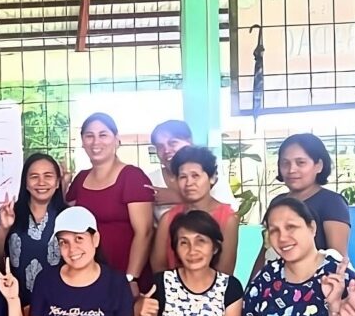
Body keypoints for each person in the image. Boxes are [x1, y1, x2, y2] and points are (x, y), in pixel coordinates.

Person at [0, 153, 68, 316]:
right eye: (33, 176)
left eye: (48, 176)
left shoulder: (68, 216)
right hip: (16, 305)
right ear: (25, 182)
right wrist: (3, 228)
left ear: (58, 182)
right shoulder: (10, 214)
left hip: (58, 308)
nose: (41, 182)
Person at [66, 113, 154, 296]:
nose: (96, 142)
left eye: (103, 135)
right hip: (89, 278)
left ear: (116, 140)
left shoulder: (132, 177)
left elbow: (144, 232)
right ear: (82, 142)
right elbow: (68, 223)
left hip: (125, 278)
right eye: (89, 136)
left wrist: (131, 277)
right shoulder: (80, 179)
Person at [253, 133, 350, 275]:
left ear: (319, 165)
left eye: (301, 163)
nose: (292, 170)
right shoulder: (277, 203)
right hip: (275, 287)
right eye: (285, 163)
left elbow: (337, 258)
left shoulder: (332, 202)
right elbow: (266, 252)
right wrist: (250, 287)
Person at [151, 146, 238, 275]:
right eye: (183, 177)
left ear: (212, 178)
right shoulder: (168, 219)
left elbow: (225, 270)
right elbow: (158, 265)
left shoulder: (228, 218)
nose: (189, 183)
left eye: (195, 175)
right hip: (172, 291)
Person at [147, 120, 237, 225]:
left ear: (189, 142)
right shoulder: (150, 180)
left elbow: (227, 212)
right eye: (160, 146)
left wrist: (178, 198)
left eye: (172, 143)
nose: (166, 150)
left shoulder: (208, 173)